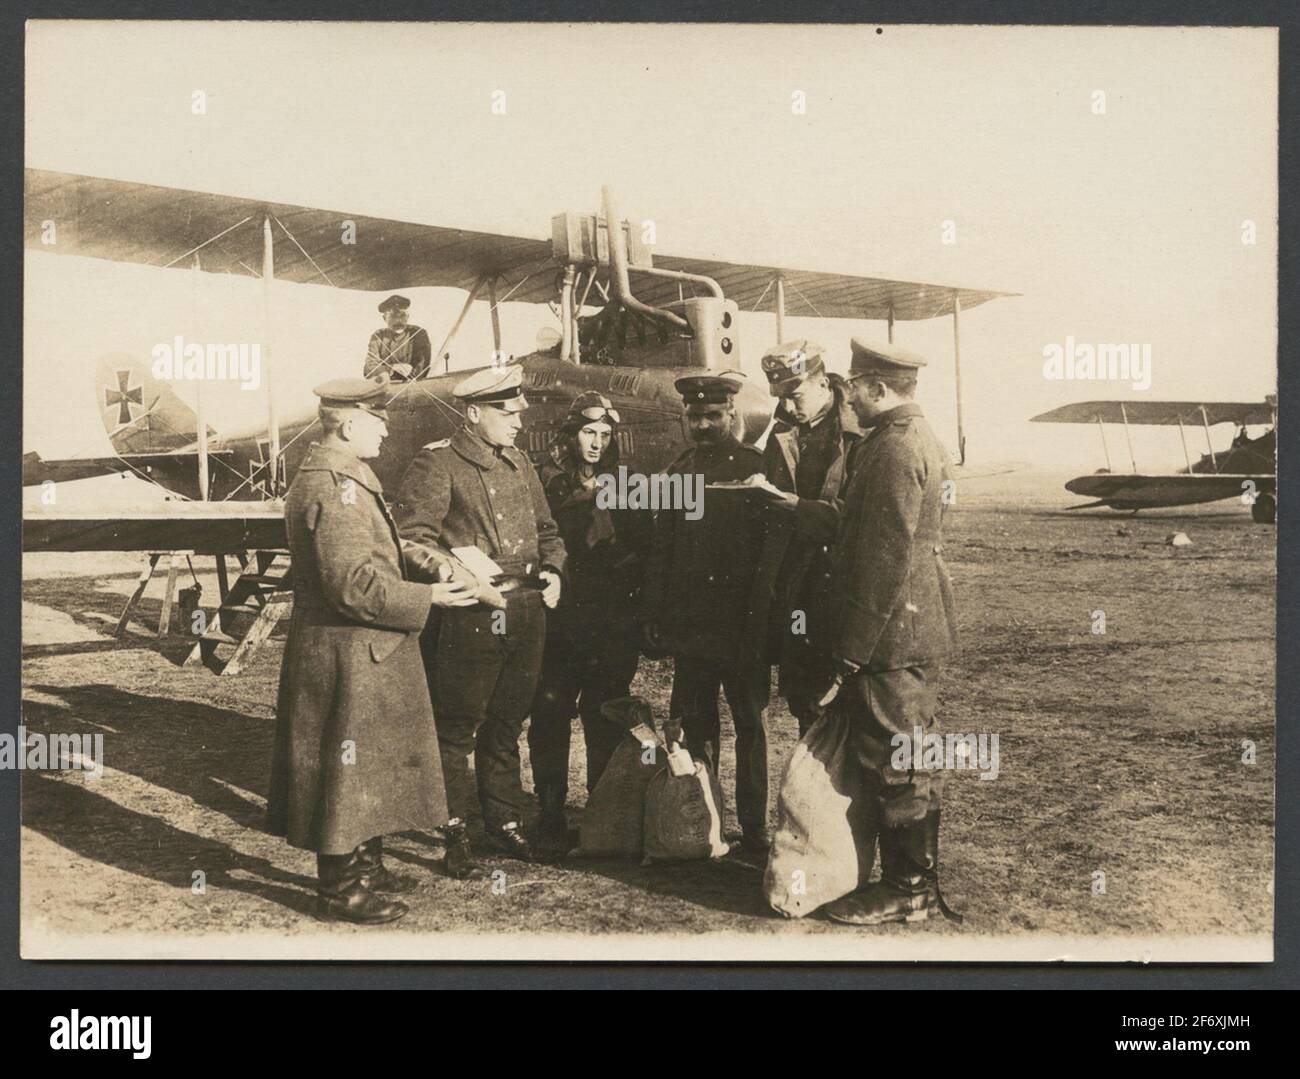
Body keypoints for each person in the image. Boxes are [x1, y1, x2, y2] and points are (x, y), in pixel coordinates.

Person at [267, 376, 477, 925]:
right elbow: (353, 584)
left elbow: (372, 561)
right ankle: (340, 891)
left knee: (366, 767)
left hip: (365, 647)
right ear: (350, 421)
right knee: (344, 773)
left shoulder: (347, 476)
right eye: (378, 419)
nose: (387, 428)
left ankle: (366, 870)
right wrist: (429, 596)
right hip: (349, 649)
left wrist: (428, 565)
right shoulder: (333, 484)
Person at [393, 363, 566, 869]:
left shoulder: (520, 464)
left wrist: (554, 570)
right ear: (474, 414)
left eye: (518, 411)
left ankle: (505, 823)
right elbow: (411, 540)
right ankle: (454, 830)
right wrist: (454, 574)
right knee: (457, 727)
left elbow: (548, 530)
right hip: (472, 613)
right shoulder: (438, 464)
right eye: (507, 412)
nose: (518, 421)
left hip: (527, 609)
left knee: (507, 723)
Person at [818, 339, 962, 927]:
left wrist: (850, 653)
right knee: (906, 751)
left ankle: (908, 889)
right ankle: (906, 881)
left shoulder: (893, 451)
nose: (845, 393)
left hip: (892, 636)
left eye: (854, 383)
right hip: (913, 625)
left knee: (897, 758)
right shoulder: (911, 440)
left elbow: (883, 559)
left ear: (879, 388)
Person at [643, 371, 772, 853]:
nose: (702, 424)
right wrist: (656, 613)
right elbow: (663, 548)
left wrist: (765, 622)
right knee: (696, 726)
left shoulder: (755, 466)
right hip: (693, 629)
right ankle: (704, 822)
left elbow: (769, 552)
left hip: (741, 629)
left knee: (750, 727)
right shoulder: (677, 472)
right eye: (694, 417)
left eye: (712, 415)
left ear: (731, 414)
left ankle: (755, 828)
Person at [527, 392, 651, 855]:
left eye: (604, 435)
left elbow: (647, 545)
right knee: (551, 710)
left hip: (611, 619)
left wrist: (627, 569)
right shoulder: (543, 481)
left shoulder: (629, 483)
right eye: (588, 433)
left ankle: (601, 810)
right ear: (570, 434)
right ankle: (551, 810)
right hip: (559, 617)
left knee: (605, 712)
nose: (596, 443)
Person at [742, 340, 862, 737]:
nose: (788, 408)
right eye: (781, 398)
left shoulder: (859, 433)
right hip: (797, 589)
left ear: (823, 382)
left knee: (847, 699)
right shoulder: (783, 429)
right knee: (804, 693)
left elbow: (862, 519)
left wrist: (797, 508)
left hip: (844, 586)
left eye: (795, 396)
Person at [364, 294, 432, 381]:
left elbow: (423, 365)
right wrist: (391, 368)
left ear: (408, 316)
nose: (398, 321)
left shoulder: (419, 334)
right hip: (386, 386)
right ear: (384, 318)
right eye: (393, 316)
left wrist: (410, 374)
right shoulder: (378, 337)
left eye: (402, 315)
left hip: (413, 386)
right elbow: (368, 369)